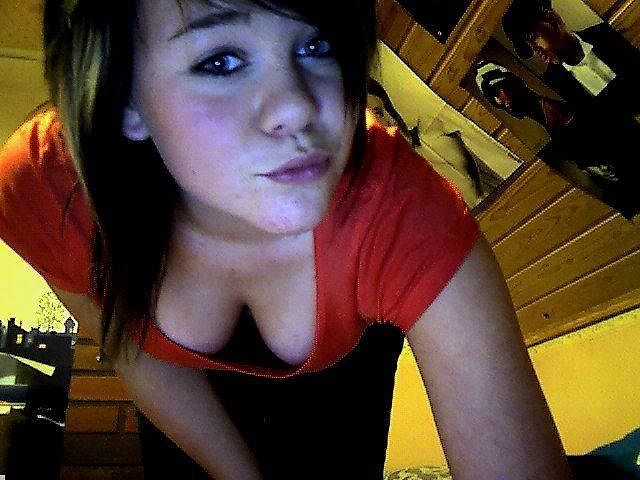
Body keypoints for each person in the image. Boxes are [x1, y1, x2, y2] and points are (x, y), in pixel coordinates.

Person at [0, 0, 576, 478]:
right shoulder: (45, 188)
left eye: (316, 45)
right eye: (221, 61)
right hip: (176, 403)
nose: (298, 107)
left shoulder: (404, 211)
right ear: (125, 96)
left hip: (340, 394)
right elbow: (128, 345)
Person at [476, 61, 638, 219]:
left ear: (514, 83)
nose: (500, 100)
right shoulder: (556, 139)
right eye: (493, 98)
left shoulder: (570, 102)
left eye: (499, 90)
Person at [502, 0, 640, 117]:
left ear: (552, 18)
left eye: (533, 37)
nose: (535, 49)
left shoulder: (606, 34)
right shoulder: (554, 84)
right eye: (529, 47)